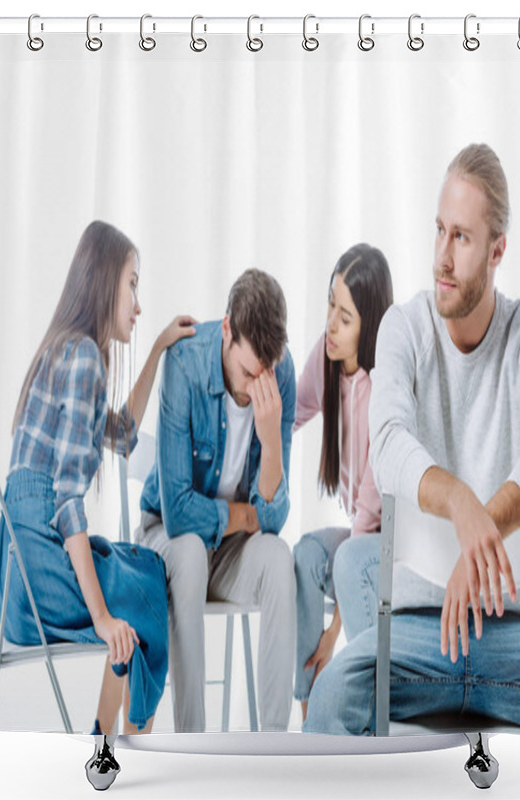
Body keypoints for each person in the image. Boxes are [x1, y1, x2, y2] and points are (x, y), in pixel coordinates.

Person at [305, 144, 520, 736]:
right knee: (330, 698)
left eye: (461, 238)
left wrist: (481, 528)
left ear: (497, 251)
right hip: (415, 633)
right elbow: (387, 444)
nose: (442, 256)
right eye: (439, 231)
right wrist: (461, 505)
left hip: (513, 642)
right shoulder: (404, 327)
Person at [0, 220, 196, 734]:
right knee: (145, 593)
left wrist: (154, 349)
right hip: (41, 568)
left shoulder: (68, 348)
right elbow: (66, 502)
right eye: (132, 283)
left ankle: (104, 740)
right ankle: (123, 749)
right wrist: (103, 619)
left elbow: (124, 434)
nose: (137, 301)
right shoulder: (82, 357)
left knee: (143, 567)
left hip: (18, 573)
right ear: (106, 281)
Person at [136, 268, 297, 733]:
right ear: (228, 330)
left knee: (278, 558)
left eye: (265, 373)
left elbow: (272, 521)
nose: (255, 387)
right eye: (248, 372)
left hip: (228, 552)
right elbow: (179, 511)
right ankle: (193, 743)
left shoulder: (277, 375)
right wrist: (240, 514)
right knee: (188, 553)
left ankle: (273, 745)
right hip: (167, 537)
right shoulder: (185, 363)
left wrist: (270, 442)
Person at [292, 244, 393, 721]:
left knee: (347, 557)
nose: (331, 324)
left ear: (368, 326)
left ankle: (365, 712)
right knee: (307, 553)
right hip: (359, 540)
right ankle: (310, 703)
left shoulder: (384, 392)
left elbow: (367, 526)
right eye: (330, 304)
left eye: (345, 316)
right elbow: (289, 413)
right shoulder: (328, 356)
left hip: (390, 543)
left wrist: (333, 635)